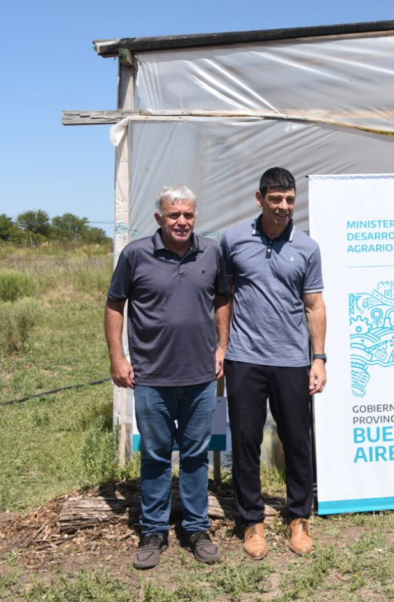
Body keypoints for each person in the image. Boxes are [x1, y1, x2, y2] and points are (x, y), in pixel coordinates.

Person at [105, 185, 228, 569]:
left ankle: (197, 529)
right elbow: (114, 304)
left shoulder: (212, 252)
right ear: (159, 217)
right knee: (156, 456)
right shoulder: (135, 254)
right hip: (151, 377)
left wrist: (222, 347)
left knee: (195, 456)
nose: (182, 221)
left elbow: (223, 298)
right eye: (174, 215)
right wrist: (117, 357)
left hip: (200, 376)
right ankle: (153, 531)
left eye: (188, 214)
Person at [220, 168, 327, 560]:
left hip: (291, 360)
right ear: (260, 198)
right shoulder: (233, 240)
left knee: (297, 440)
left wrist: (319, 358)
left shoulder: (307, 247)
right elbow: (224, 297)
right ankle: (252, 520)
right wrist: (222, 347)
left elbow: (314, 305)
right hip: (244, 357)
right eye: (276, 199)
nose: (283, 207)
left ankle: (298, 517)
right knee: (246, 441)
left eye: (290, 200)